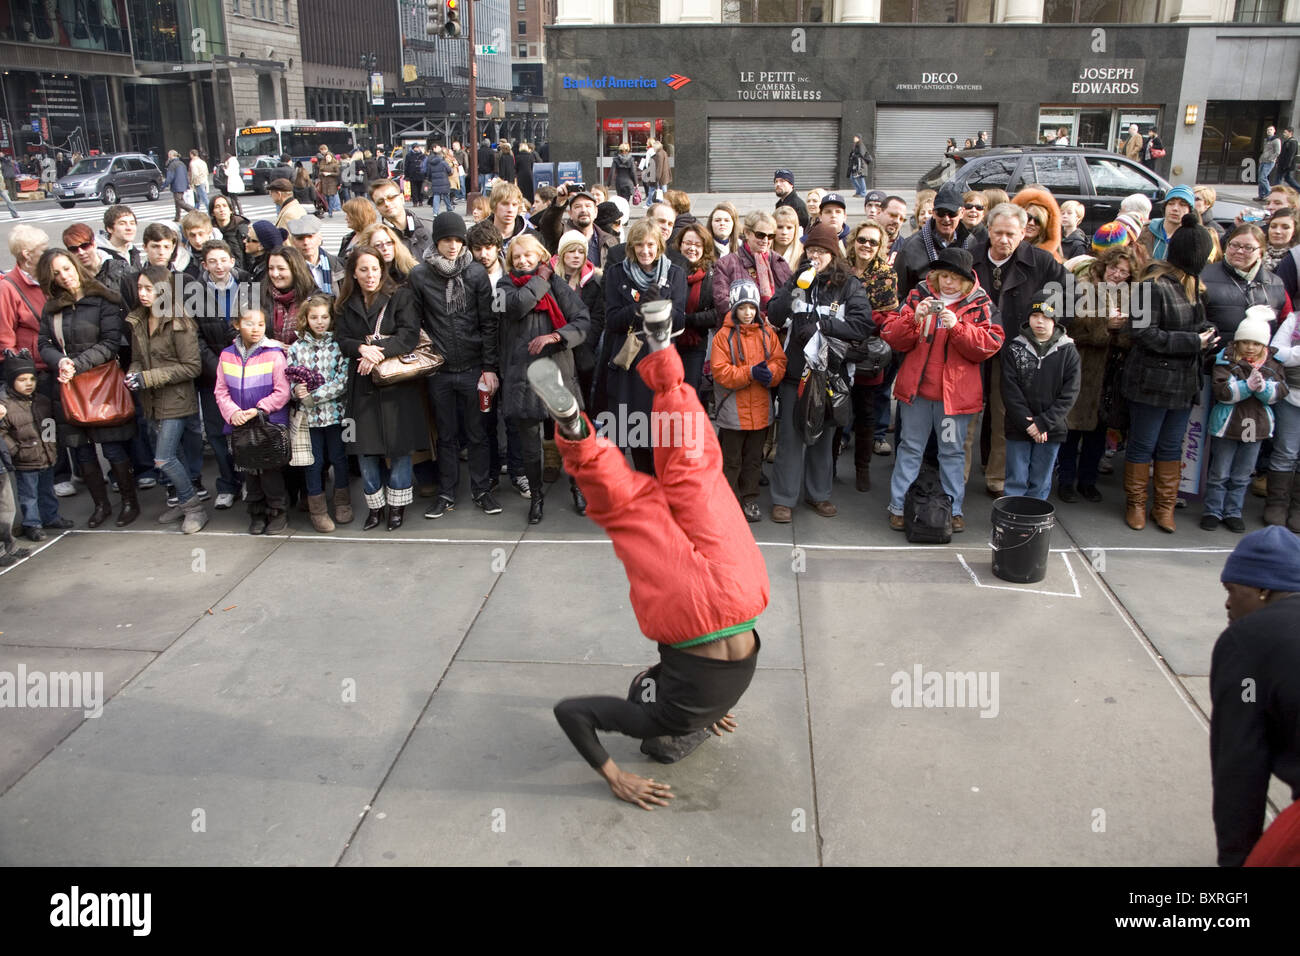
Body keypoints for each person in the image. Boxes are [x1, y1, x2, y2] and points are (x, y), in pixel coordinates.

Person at [533, 312, 767, 807]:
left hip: (742, 593)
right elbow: (575, 712)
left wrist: (705, 713)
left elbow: (657, 685)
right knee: (631, 506)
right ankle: (579, 429)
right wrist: (615, 773)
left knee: (694, 470)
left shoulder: (712, 701)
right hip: (688, 612)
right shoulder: (665, 718)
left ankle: (662, 352)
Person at [882, 246, 1001, 531]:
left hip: (952, 401)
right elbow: (891, 335)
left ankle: (953, 509)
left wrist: (958, 327)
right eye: (944, 275)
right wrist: (914, 318)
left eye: (955, 278)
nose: (948, 282)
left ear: (966, 281)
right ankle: (898, 506)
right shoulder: (918, 295)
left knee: (951, 452)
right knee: (910, 448)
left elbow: (990, 345)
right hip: (918, 395)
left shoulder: (980, 302)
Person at [766, 222, 873, 521]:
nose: (815, 255)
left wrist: (823, 325)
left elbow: (863, 325)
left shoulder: (849, 285)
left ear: (832, 253)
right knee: (789, 436)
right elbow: (773, 314)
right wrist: (791, 288)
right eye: (811, 249)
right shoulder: (798, 279)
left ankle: (818, 494)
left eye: (821, 250)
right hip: (795, 373)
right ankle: (784, 498)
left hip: (830, 374)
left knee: (824, 437)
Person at [1209, 526, 1300, 866]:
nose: (1228, 603)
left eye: (1232, 590)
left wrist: (1237, 859)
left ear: (1263, 589)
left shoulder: (1248, 640)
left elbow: (1240, 765)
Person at [1122, 214, 1218, 533]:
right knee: (1142, 444)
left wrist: (1207, 334)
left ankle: (1163, 506)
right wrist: (1193, 341)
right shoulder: (1151, 285)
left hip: (1182, 383)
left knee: (1171, 446)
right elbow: (1141, 333)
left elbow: (1196, 325)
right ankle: (1135, 504)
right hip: (1150, 382)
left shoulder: (1195, 286)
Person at [36, 248, 138, 528]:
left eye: (66, 269)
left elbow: (110, 343)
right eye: (56, 273)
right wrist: (61, 362)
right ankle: (101, 505)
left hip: (100, 383)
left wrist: (75, 365)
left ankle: (129, 502)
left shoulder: (103, 298)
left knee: (114, 449)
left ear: (75, 267)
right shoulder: (52, 306)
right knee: (81, 451)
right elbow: (43, 344)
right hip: (69, 388)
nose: (64, 276)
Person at [408, 212, 501, 519]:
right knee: (446, 436)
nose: (453, 246)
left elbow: (488, 323)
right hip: (441, 370)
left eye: (458, 240)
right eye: (447, 240)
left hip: (474, 366)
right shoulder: (421, 275)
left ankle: (481, 489)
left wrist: (489, 366)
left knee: (477, 434)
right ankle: (446, 492)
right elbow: (416, 323)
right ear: (437, 241)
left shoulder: (474, 273)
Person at [334, 246, 428, 531]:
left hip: (396, 382)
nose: (370, 275)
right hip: (361, 383)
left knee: (399, 446)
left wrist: (375, 351)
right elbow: (341, 338)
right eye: (363, 269)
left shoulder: (401, 295)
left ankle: (397, 505)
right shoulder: (344, 302)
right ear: (354, 272)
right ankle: (375, 507)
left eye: (375, 268)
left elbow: (409, 336)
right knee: (365, 448)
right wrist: (361, 348)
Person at [498, 234, 591, 521]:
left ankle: (577, 488)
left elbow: (582, 320)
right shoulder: (504, 287)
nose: (523, 261)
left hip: (558, 373)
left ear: (539, 255)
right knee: (530, 446)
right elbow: (519, 305)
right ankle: (536, 497)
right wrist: (541, 278)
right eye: (517, 257)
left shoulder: (557, 284)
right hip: (523, 376)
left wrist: (555, 336)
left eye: (528, 255)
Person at [125, 265, 207, 534]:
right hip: (150, 400)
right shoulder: (139, 320)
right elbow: (137, 359)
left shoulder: (179, 322)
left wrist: (148, 377)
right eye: (140, 288)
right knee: (175, 455)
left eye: (149, 288)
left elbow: (192, 367)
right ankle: (184, 502)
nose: (143, 293)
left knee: (163, 458)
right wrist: (134, 373)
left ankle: (194, 507)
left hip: (176, 400)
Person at [1057, 245, 1142, 504]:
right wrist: (1105, 327)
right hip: (1081, 367)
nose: (1117, 274)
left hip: (1111, 372)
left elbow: (1134, 337)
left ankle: (1088, 481)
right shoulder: (1083, 288)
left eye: (1124, 272)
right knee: (1071, 429)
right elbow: (1071, 329)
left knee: (1098, 431)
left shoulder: (1132, 296)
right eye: (1114, 268)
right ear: (1104, 266)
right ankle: (1065, 481)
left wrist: (1119, 331)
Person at [1201, 310, 1288, 531]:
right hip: (1227, 425)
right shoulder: (1225, 360)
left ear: (1264, 346)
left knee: (1242, 474)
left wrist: (1263, 388)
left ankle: (1233, 511)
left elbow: (1279, 392)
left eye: (1256, 344)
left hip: (1256, 427)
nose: (1250, 348)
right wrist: (1245, 386)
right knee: (1219, 472)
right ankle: (1212, 510)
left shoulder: (1273, 364)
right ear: (1237, 342)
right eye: (1245, 342)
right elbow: (1223, 392)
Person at [711, 279, 786, 522]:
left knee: (754, 459)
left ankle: (750, 498)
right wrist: (750, 373)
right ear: (733, 307)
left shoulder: (766, 333)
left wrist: (771, 374)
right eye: (742, 308)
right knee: (731, 459)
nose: (747, 313)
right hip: (733, 410)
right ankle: (728, 500)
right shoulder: (723, 337)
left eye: (751, 307)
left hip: (760, 409)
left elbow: (779, 360)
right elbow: (720, 371)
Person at [215, 307, 290, 534]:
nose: (256, 329)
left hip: (268, 424)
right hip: (240, 425)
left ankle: (277, 512)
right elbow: (221, 391)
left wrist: (259, 409)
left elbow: (283, 391)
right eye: (249, 323)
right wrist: (233, 413)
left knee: (270, 472)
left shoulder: (275, 354)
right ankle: (256, 512)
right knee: (249, 470)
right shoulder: (227, 355)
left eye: (260, 324)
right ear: (237, 325)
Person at [1000, 292, 1081, 500]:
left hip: (1050, 428)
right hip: (1019, 425)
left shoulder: (1068, 351)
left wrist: (1044, 423)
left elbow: (1069, 393)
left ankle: (1034, 520)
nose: (1040, 322)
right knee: (1016, 477)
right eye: (1035, 316)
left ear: (1055, 321)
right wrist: (1028, 423)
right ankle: (1013, 517)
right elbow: (1010, 389)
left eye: (1046, 317)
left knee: (1041, 479)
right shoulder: (1015, 348)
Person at [286, 294, 351, 532]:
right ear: (305, 319)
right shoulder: (295, 348)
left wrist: (314, 395)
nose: (320, 322)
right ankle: (318, 510)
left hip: (336, 415)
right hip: (308, 419)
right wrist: (296, 390)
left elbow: (342, 381)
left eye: (324, 317)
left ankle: (343, 502)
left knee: (339, 458)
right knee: (313, 462)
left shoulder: (338, 346)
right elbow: (289, 380)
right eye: (314, 317)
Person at [843, 219, 900, 492]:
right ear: (854, 240)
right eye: (862, 239)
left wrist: (857, 318)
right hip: (839, 348)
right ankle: (830, 465)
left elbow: (889, 317)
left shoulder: (886, 275)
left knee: (866, 413)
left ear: (880, 247)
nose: (866, 245)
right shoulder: (840, 269)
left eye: (873, 242)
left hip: (868, 354)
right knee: (837, 409)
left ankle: (862, 468)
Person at [0, 348, 71, 540]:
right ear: (11, 381)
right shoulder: (6, 406)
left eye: (31, 379)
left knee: (47, 490)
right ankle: (32, 523)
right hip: (25, 460)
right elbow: (3, 433)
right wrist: (17, 450)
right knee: (29, 495)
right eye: (22, 380)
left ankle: (51, 516)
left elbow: (49, 425)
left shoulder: (42, 401)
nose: (28, 383)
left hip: (46, 456)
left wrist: (51, 448)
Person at [553, 229, 606, 432]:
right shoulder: (551, 280)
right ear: (561, 254)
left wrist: (585, 344)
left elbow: (598, 318)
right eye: (571, 251)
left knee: (585, 396)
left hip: (584, 347)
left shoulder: (595, 281)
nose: (576, 256)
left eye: (580, 252)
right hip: (559, 347)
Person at [1201, 224, 1287, 346]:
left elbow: (1281, 326)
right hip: (1215, 357)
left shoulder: (1275, 283)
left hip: (1259, 361)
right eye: (1234, 245)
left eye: (1248, 247)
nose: (1239, 251)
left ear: (1261, 252)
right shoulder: (1203, 277)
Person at [712, 211, 793, 321]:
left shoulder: (779, 261)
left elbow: (792, 296)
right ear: (747, 233)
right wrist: (759, 320)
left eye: (770, 236)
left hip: (776, 330)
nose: (765, 240)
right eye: (760, 235)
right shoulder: (725, 264)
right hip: (741, 332)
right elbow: (722, 302)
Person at [894, 182, 965, 300]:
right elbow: (899, 294)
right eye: (941, 213)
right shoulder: (911, 246)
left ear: (962, 213)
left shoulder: (971, 242)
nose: (946, 219)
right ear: (933, 213)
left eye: (952, 214)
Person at [261, 246, 316, 348]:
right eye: (271, 268)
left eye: (281, 269)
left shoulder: (315, 297)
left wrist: (297, 349)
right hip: (265, 359)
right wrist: (266, 343)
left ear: (295, 270)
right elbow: (235, 331)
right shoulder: (252, 292)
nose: (275, 274)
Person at [368, 178, 432, 260]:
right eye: (380, 202)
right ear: (377, 207)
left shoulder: (430, 228)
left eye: (391, 197)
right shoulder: (377, 240)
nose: (387, 203)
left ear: (401, 198)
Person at [1014, 188, 1063, 262]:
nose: (1031, 223)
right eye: (1028, 217)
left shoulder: (1050, 259)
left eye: (1038, 221)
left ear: (1045, 226)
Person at [208, 194, 249, 272]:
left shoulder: (241, 227)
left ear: (231, 210)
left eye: (224, 206)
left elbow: (250, 256)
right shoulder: (211, 231)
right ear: (212, 212)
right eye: (217, 207)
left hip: (243, 274)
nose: (222, 209)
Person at [98, 205, 141, 271]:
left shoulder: (133, 252)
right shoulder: (100, 256)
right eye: (122, 224)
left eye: (132, 223)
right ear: (109, 229)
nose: (129, 228)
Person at [1263, 208, 1298, 274]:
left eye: (1285, 227)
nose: (1277, 231)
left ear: (1294, 231)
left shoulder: (1296, 258)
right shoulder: (1255, 250)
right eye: (1273, 226)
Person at [163, 149, 194, 222]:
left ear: (171, 156)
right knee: (178, 201)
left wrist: (164, 186)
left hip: (176, 185)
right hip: (183, 185)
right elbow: (186, 175)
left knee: (179, 201)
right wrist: (187, 184)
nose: (168, 157)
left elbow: (169, 177)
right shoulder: (182, 163)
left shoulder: (172, 165)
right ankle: (177, 217)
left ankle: (194, 211)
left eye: (169, 155)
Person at [772, 205, 804, 272]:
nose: (784, 232)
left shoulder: (804, 254)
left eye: (789, 227)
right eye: (779, 227)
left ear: (796, 229)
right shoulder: (763, 252)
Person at [315, 145, 341, 217]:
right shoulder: (322, 164)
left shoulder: (334, 164)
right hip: (324, 183)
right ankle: (329, 208)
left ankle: (330, 211)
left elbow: (338, 173)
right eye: (326, 157)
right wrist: (322, 174)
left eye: (329, 157)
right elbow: (319, 173)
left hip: (332, 183)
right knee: (326, 197)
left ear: (331, 158)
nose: (327, 158)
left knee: (331, 197)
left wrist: (329, 174)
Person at [1258, 125, 1281, 201]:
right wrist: (1261, 159)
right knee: (1260, 179)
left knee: (1263, 178)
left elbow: (1277, 152)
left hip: (1269, 162)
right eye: (1268, 130)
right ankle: (1261, 195)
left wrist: (1271, 159)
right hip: (1263, 161)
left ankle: (1269, 194)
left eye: (1271, 129)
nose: (1269, 131)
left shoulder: (1276, 140)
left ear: (1274, 131)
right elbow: (1265, 151)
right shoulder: (1267, 140)